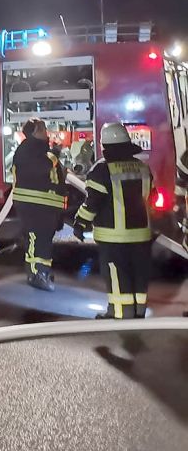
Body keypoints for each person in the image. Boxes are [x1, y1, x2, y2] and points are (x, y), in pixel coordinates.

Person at [72, 123, 153, 318]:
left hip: (113, 236)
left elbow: (92, 203)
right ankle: (139, 310)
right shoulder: (142, 167)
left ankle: (120, 313)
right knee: (138, 273)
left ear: (104, 145)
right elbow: (151, 196)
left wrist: (80, 224)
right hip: (141, 234)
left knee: (118, 274)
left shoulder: (101, 171)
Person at [11, 118, 66, 291]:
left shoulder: (36, 149)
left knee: (41, 241)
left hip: (43, 205)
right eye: (42, 129)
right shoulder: (27, 150)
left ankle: (39, 272)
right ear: (34, 132)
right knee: (37, 240)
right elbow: (41, 168)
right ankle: (37, 274)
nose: (46, 132)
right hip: (34, 205)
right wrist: (55, 154)